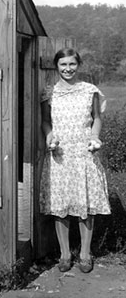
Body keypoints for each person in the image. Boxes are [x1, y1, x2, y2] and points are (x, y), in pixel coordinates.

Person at [40, 48, 111, 273]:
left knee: (85, 206)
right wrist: (50, 136)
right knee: (60, 205)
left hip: (84, 154)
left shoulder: (89, 91)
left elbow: (97, 119)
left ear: (78, 65)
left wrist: (94, 137)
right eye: (63, 65)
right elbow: (45, 121)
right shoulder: (49, 93)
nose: (68, 69)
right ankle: (64, 254)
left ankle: (85, 254)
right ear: (56, 66)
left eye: (72, 64)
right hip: (60, 155)